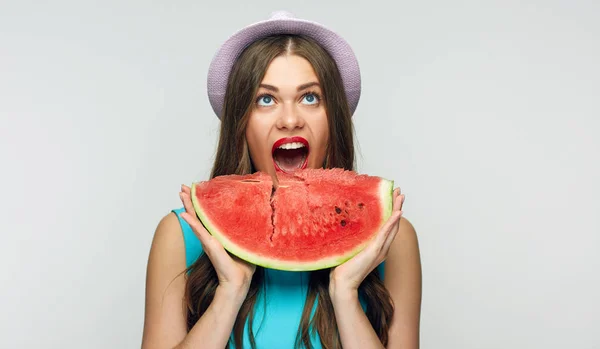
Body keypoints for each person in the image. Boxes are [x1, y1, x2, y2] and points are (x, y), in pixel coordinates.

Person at [141, 11, 422, 349]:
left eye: (310, 97)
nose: (290, 120)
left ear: (333, 119)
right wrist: (229, 293)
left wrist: (345, 294)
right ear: (241, 122)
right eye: (266, 99)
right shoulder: (179, 236)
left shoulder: (393, 239)